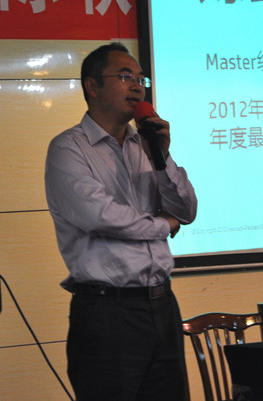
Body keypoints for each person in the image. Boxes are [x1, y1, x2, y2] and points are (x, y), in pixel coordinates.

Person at [44, 42, 198, 401]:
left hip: (161, 304)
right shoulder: (68, 149)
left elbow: (186, 210)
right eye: (125, 76)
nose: (137, 87)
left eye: (141, 79)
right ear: (92, 86)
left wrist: (162, 156)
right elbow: (101, 216)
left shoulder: (145, 145)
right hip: (107, 313)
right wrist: (163, 226)